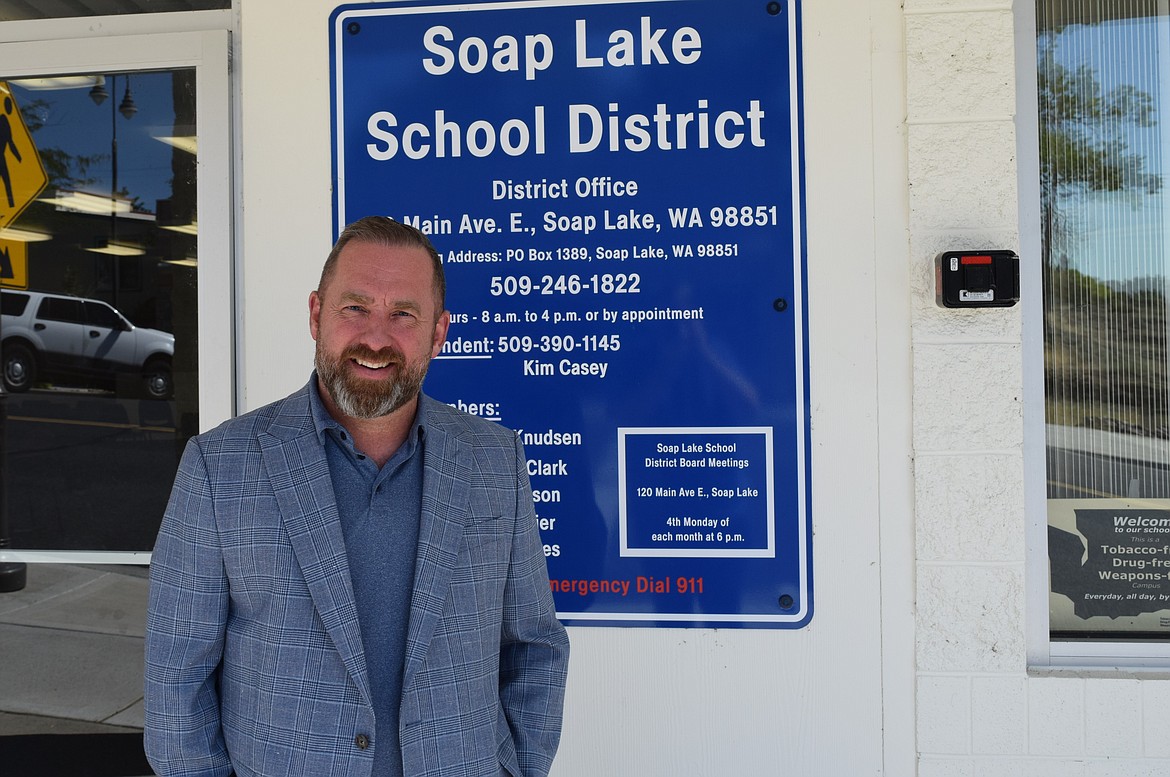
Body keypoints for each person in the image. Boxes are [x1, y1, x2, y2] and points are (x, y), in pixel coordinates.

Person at [145, 216, 569, 777]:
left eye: (403, 314)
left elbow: (535, 648)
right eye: (355, 308)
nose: (375, 337)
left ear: (438, 333)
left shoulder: (496, 462)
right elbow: (177, 681)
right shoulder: (220, 466)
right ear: (317, 314)